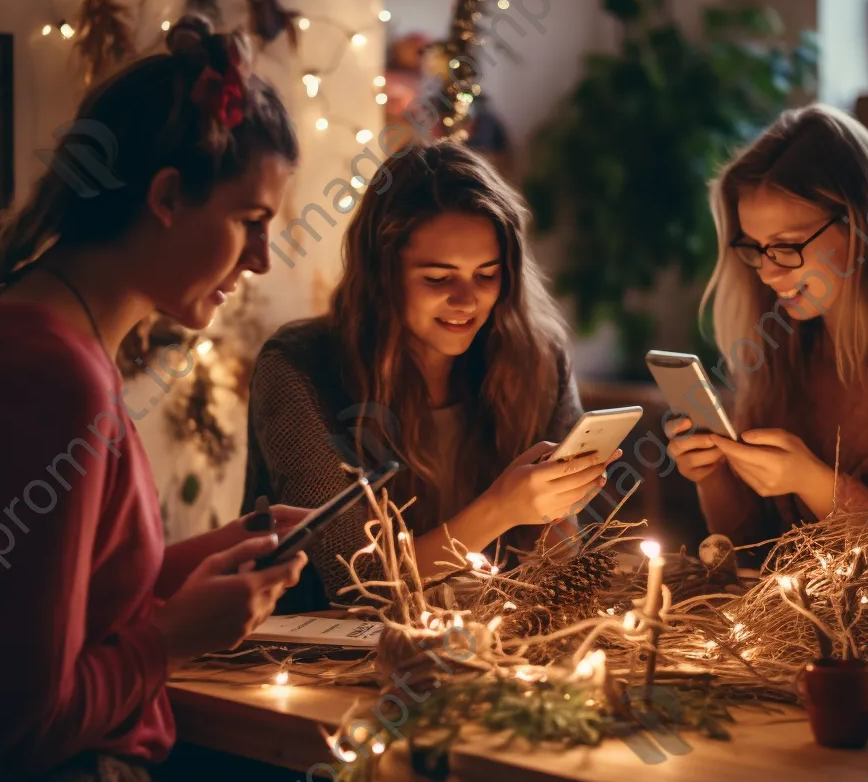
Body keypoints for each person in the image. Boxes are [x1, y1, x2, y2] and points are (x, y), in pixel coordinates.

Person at [0, 16, 452, 782]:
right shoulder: (58, 379)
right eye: (251, 220)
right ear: (164, 198)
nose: (263, 259)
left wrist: (220, 549)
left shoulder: (23, 327)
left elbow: (49, 600)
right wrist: (175, 640)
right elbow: (17, 728)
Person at [243, 140, 618, 611]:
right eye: (438, 279)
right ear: (383, 275)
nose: (466, 301)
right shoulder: (300, 367)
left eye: (487, 275)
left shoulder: (535, 359)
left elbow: (562, 560)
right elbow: (356, 581)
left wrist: (559, 514)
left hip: (493, 654)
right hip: (314, 660)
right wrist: (501, 508)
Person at [665, 103, 868, 596]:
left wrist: (817, 485)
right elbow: (756, 551)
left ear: (861, 225)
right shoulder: (785, 338)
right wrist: (714, 475)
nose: (769, 272)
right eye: (753, 246)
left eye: (788, 244)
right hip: (793, 632)